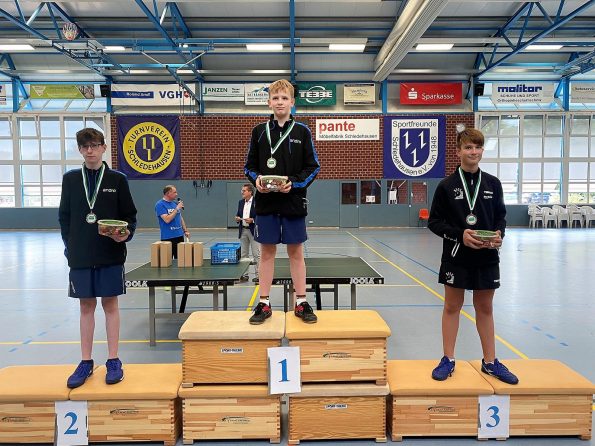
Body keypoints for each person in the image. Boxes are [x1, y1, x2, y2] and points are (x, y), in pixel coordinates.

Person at [428, 127, 518, 385]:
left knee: (485, 308)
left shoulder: (493, 183)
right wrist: (460, 235)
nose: (474, 152)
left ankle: (490, 362)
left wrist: (499, 234)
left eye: (478, 147)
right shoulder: (446, 186)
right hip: (456, 256)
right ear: (458, 151)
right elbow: (434, 222)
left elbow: (500, 216)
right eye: (468, 147)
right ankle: (448, 359)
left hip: (486, 256)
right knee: (452, 307)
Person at [58, 128, 137, 389]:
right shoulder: (70, 179)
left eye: (94, 145)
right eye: (85, 146)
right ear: (80, 150)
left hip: (110, 254)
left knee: (110, 305)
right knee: (85, 306)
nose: (89, 150)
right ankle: (86, 361)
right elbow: (64, 217)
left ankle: (113, 360)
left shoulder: (117, 179)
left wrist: (125, 234)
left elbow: (130, 216)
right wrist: (70, 247)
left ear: (104, 147)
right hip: (80, 256)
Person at [244, 79, 320, 325]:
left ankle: (301, 302)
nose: (280, 102)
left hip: (293, 202)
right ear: (269, 102)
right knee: (266, 253)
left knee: (296, 252)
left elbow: (313, 167)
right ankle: (264, 303)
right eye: (275, 98)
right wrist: (256, 180)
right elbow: (249, 166)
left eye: (284, 98)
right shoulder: (258, 132)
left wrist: (293, 183)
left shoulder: (302, 132)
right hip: (266, 203)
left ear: (292, 102)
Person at [155, 185, 190, 258]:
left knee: (180, 259)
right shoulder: (160, 205)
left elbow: (180, 217)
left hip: (179, 236)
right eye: (174, 192)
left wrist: (185, 230)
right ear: (168, 193)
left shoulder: (174, 203)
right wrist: (176, 209)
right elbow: (167, 220)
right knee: (168, 260)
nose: (176, 194)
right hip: (168, 237)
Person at [235, 183, 260, 283]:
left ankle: (259, 276)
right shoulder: (241, 202)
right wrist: (237, 218)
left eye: (244, 190)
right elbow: (238, 214)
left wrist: (253, 220)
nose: (242, 192)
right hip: (243, 230)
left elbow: (260, 216)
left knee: (256, 254)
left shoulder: (256, 202)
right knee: (244, 254)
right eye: (242, 190)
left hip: (253, 230)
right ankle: (244, 275)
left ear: (250, 192)